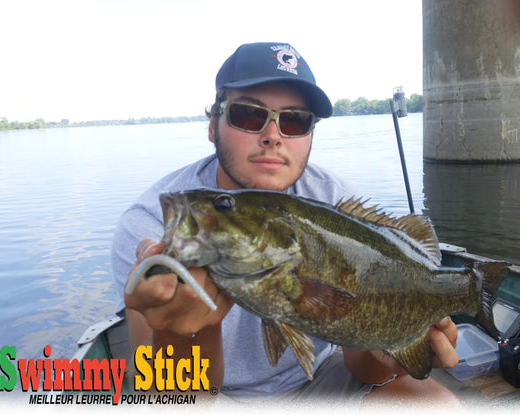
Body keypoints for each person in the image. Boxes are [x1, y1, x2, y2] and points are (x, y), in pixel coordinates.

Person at [111, 42, 460, 406]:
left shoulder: (335, 205)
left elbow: (361, 367)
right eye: (248, 115)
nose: (273, 136)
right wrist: (182, 333)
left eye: (295, 120)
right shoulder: (151, 223)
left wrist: (383, 351)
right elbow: (173, 395)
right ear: (213, 123)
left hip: (317, 379)